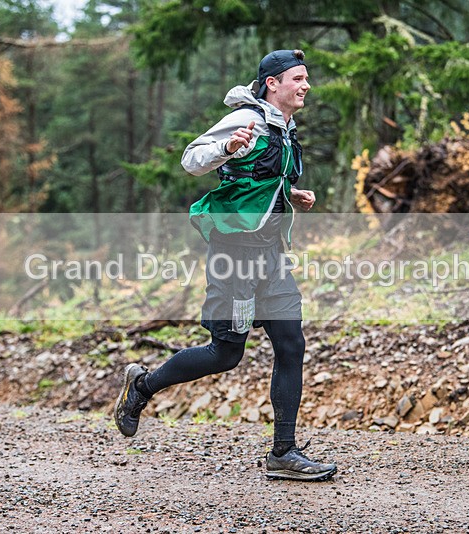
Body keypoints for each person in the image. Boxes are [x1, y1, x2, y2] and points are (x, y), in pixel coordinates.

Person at [114, 49, 336, 482]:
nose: (306, 85)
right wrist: (226, 147)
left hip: (270, 255)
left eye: (306, 78)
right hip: (234, 254)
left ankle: (283, 453)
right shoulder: (245, 119)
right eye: (298, 78)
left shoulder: (285, 128)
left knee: (291, 344)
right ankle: (142, 385)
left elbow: (257, 180)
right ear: (272, 83)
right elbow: (191, 159)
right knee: (226, 353)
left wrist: (292, 195)